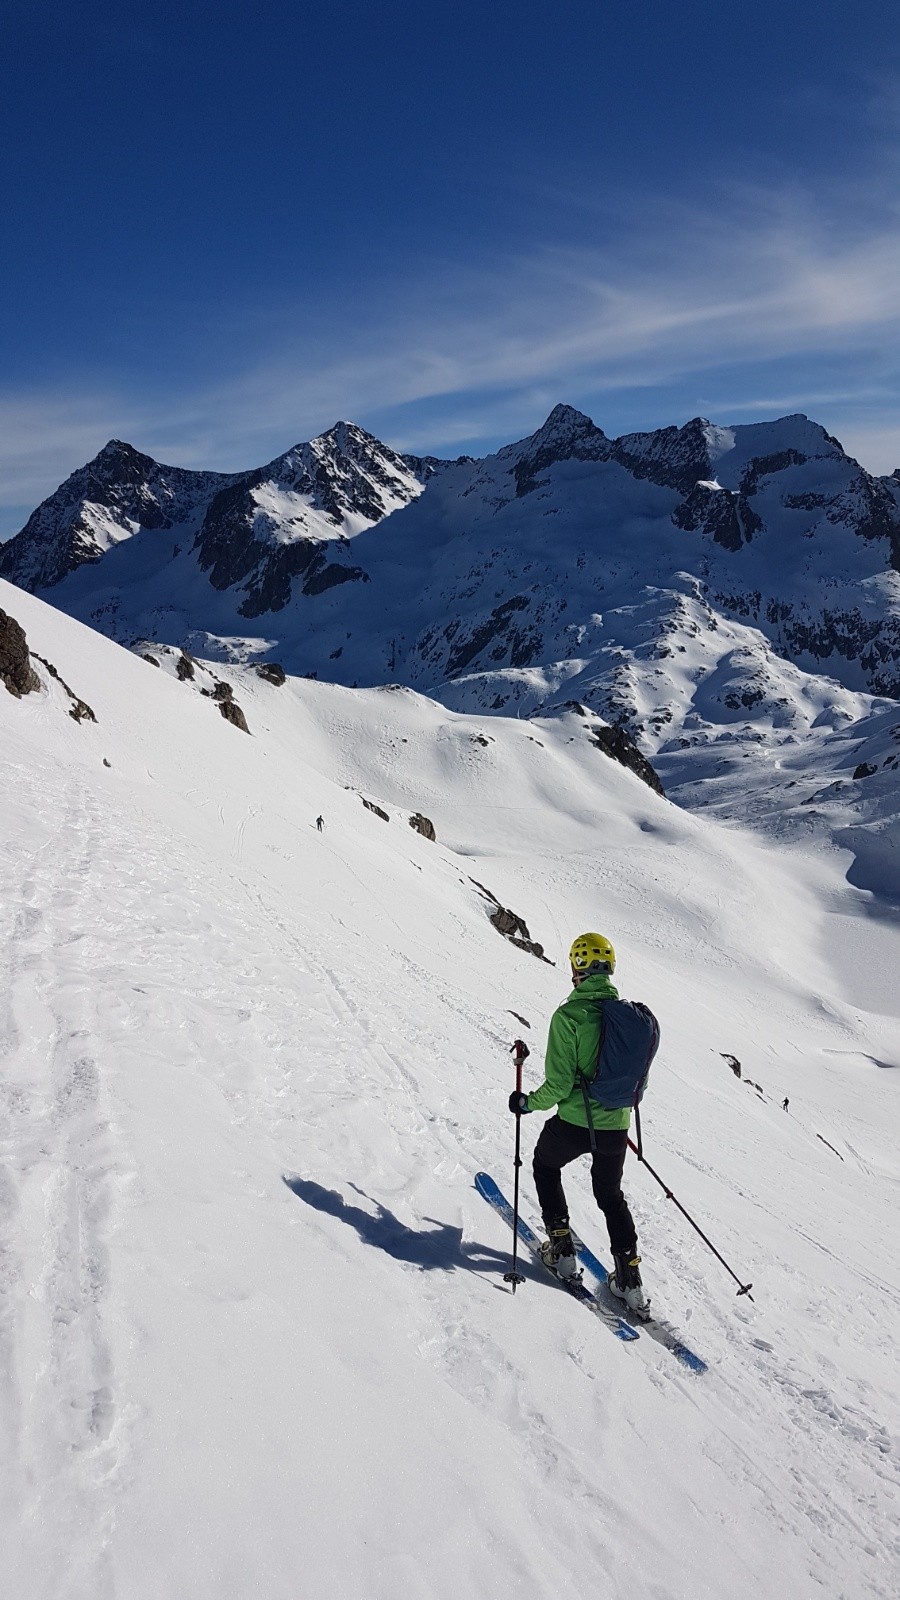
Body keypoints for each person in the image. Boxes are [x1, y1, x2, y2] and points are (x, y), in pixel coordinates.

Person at [508, 932, 648, 1313]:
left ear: (577, 968)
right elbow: (639, 1082)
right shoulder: (631, 1021)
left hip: (572, 1122)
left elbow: (558, 1085)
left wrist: (525, 1104)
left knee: (545, 1165)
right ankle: (629, 1279)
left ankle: (561, 1247)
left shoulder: (569, 1017)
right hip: (615, 1127)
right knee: (610, 1195)